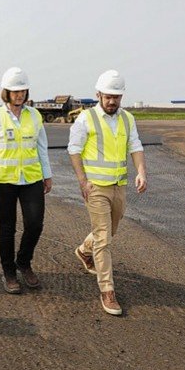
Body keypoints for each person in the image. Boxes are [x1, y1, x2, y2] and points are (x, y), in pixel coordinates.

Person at [68, 69, 147, 316]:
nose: (112, 101)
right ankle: (107, 290)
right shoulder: (86, 118)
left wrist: (141, 171)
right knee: (104, 239)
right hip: (96, 188)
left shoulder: (127, 119)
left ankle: (83, 250)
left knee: (109, 231)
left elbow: (135, 145)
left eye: (117, 97)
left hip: (119, 186)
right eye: (108, 96)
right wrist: (82, 181)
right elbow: (74, 149)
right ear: (98, 94)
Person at [0, 67, 52, 294]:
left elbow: (42, 147)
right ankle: (9, 272)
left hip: (31, 179)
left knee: (35, 224)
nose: (19, 95)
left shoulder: (34, 115)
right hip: (3, 182)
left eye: (23, 91)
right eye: (15, 91)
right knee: (7, 228)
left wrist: (47, 175)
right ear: (6, 92)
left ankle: (23, 261)